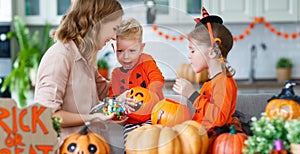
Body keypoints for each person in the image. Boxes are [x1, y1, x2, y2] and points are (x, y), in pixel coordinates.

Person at [34, 0, 124, 145]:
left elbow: (105, 90)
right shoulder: (60, 57)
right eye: (114, 29)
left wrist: (129, 89)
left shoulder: (84, 58)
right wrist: (93, 117)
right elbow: (47, 115)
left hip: (92, 144)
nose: (114, 37)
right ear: (98, 22)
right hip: (70, 148)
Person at [172, 7, 242, 151]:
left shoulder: (224, 83)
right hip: (201, 140)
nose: (189, 55)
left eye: (192, 50)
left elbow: (218, 119)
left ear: (211, 52)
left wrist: (192, 95)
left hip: (213, 145)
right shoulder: (212, 82)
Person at [108, 18, 164, 142]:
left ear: (141, 48)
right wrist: (119, 99)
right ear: (113, 48)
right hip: (131, 121)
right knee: (131, 143)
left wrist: (149, 97)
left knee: (151, 141)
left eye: (132, 51)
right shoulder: (116, 74)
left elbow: (157, 78)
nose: (126, 57)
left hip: (153, 115)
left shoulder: (146, 61)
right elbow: (112, 101)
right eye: (120, 51)